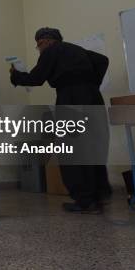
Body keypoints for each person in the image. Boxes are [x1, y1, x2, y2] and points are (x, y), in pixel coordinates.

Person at [10, 27, 112, 214]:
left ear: (47, 41)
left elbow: (36, 78)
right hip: (93, 98)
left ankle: (84, 200)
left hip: (70, 97)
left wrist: (15, 76)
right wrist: (90, 83)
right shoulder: (77, 49)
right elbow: (102, 60)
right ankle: (98, 196)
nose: (39, 48)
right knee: (94, 145)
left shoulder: (51, 50)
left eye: (39, 44)